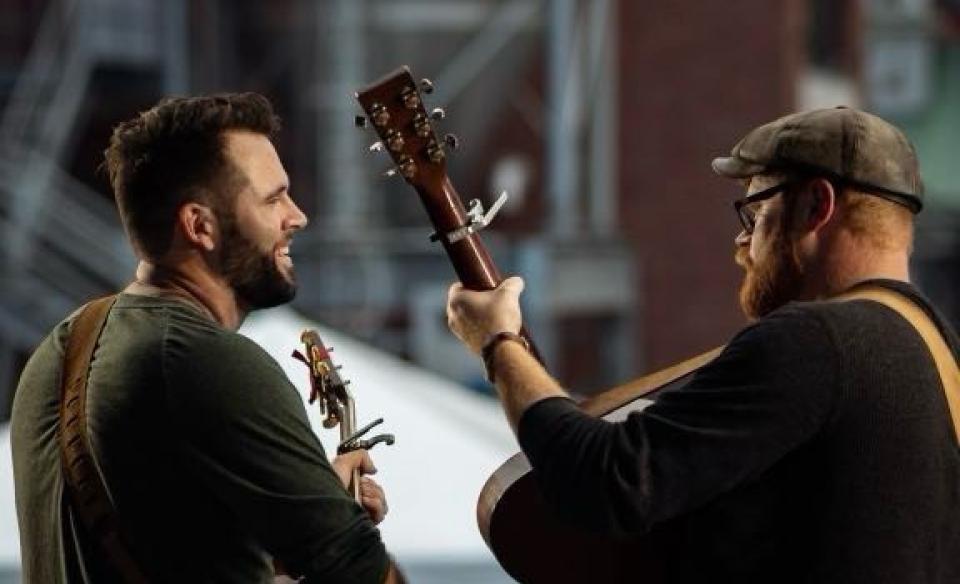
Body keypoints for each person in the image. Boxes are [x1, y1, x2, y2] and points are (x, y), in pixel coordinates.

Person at [447, 106, 960, 582]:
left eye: (754, 214)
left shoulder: (817, 342)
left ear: (815, 205)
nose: (741, 244)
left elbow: (605, 481)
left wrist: (498, 341)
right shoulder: (937, 351)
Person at [12, 93, 404, 583]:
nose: (297, 216)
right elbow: (363, 576)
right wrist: (341, 538)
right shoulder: (207, 359)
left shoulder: (58, 351)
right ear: (200, 226)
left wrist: (296, 509)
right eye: (272, 199)